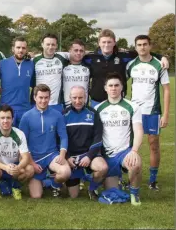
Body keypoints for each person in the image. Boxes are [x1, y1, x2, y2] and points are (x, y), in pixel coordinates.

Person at [126, 35, 170, 191]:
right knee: (130, 146)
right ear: (136, 47)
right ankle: (130, 178)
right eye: (139, 45)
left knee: (154, 146)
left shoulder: (159, 65)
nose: (142, 47)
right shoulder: (131, 65)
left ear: (150, 46)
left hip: (152, 111)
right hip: (134, 112)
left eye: (145, 44)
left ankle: (152, 180)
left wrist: (165, 115)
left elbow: (166, 90)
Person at [95, 73, 143, 206]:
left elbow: (139, 130)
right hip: (107, 155)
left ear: (122, 87)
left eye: (117, 85)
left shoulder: (133, 107)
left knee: (136, 164)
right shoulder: (98, 109)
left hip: (125, 152)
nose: (113, 88)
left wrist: (134, 150)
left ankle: (134, 194)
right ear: (105, 88)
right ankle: (116, 180)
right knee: (112, 191)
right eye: (110, 85)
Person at [18, 84, 70, 198]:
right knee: (36, 196)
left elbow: (64, 137)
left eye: (46, 97)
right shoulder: (26, 117)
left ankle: (54, 184)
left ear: (49, 97)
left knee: (65, 172)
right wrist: (31, 163)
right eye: (40, 97)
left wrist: (62, 154)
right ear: (35, 98)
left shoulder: (57, 115)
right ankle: (44, 180)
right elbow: (22, 143)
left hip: (52, 155)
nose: (43, 100)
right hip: (34, 158)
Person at [63, 86, 107, 200]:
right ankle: (79, 177)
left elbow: (98, 137)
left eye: (81, 98)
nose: (78, 101)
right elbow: (59, 139)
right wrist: (67, 157)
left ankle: (92, 189)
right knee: (73, 195)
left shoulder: (93, 113)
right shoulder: (63, 115)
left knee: (102, 168)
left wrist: (89, 156)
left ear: (86, 97)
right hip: (72, 157)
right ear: (70, 98)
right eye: (74, 98)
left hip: (89, 154)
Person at [0, 104, 34, 200]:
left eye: (8, 118)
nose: (5, 121)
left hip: (13, 168)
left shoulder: (19, 134)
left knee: (30, 170)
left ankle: (16, 187)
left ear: (12, 119)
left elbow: (26, 157)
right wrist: (5, 167)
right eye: (2, 118)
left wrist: (18, 167)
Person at [0, 36, 35, 126]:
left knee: (24, 138)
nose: (20, 50)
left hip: (25, 109)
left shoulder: (31, 64)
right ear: (13, 48)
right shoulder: (3, 63)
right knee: (7, 139)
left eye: (23, 48)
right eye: (18, 47)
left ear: (26, 49)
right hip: (6, 109)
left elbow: (34, 86)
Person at [32, 33, 69, 113]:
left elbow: (78, 53)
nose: (50, 47)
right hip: (38, 103)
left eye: (53, 44)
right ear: (42, 44)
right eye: (48, 44)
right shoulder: (35, 60)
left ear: (56, 46)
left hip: (56, 104)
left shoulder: (62, 58)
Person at [62, 40, 90, 108]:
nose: (78, 53)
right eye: (76, 50)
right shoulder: (62, 65)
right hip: (66, 106)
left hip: (83, 106)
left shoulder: (88, 66)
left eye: (81, 51)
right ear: (70, 51)